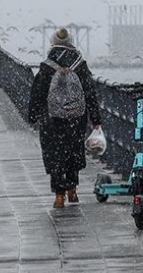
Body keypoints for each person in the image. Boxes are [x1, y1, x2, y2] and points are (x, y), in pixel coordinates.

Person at [28, 28, 102, 209]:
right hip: (76, 116)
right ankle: (72, 189)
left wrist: (32, 115)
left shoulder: (46, 65)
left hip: (52, 118)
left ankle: (59, 195)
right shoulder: (80, 64)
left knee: (55, 154)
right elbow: (90, 92)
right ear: (71, 43)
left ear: (53, 43)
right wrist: (96, 118)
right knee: (73, 150)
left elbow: (37, 93)